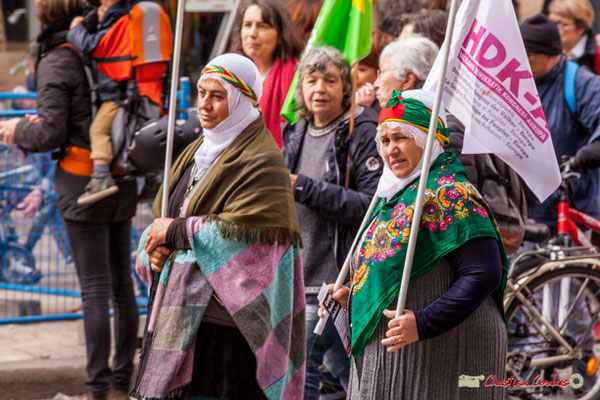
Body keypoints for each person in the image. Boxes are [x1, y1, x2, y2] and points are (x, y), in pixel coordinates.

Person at [130, 53, 306, 400]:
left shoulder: (262, 161)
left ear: (242, 99)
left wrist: (176, 234)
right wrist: (155, 248)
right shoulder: (197, 151)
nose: (205, 105)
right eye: (202, 93)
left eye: (218, 95)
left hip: (227, 330)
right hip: (182, 319)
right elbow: (164, 217)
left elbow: (251, 242)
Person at [324, 90, 507, 400]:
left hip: (444, 349)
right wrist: (357, 293)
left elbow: (484, 273)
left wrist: (424, 322)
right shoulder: (394, 196)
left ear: (429, 139)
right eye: (384, 141)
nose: (391, 150)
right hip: (402, 354)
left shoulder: (452, 193)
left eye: (401, 138)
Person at [0, 0, 139, 398]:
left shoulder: (57, 59)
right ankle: (121, 384)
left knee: (94, 288)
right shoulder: (102, 46)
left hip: (81, 183)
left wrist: (14, 131)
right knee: (122, 286)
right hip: (122, 177)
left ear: (45, 15)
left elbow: (49, 133)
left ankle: (96, 388)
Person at [281, 46, 382, 400]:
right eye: (312, 80)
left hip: (335, 283)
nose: (319, 88)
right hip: (295, 279)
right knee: (349, 373)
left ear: (345, 87)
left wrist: (305, 187)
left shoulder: (357, 130)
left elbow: (370, 205)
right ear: (301, 88)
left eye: (329, 80)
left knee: (299, 369)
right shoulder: (294, 132)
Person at [67, 0, 129, 204]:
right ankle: (153, 180)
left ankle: (101, 176)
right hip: (125, 92)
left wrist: (76, 30)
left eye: (103, 9)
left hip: (116, 94)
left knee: (98, 130)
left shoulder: (117, 22)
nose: (100, 14)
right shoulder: (130, 19)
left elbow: (92, 45)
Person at [231, 0, 303, 147]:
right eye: (247, 25)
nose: (252, 34)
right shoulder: (229, 74)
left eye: (262, 26)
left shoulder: (299, 75)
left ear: (281, 34)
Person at [548, 0, 599, 74]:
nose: (554, 29)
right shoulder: (547, 52)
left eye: (562, 24)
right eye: (551, 23)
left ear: (581, 27)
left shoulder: (596, 55)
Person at [354, 30, 394, 113]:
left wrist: (363, 110)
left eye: (361, 69)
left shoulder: (386, 104)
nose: (352, 74)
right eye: (350, 66)